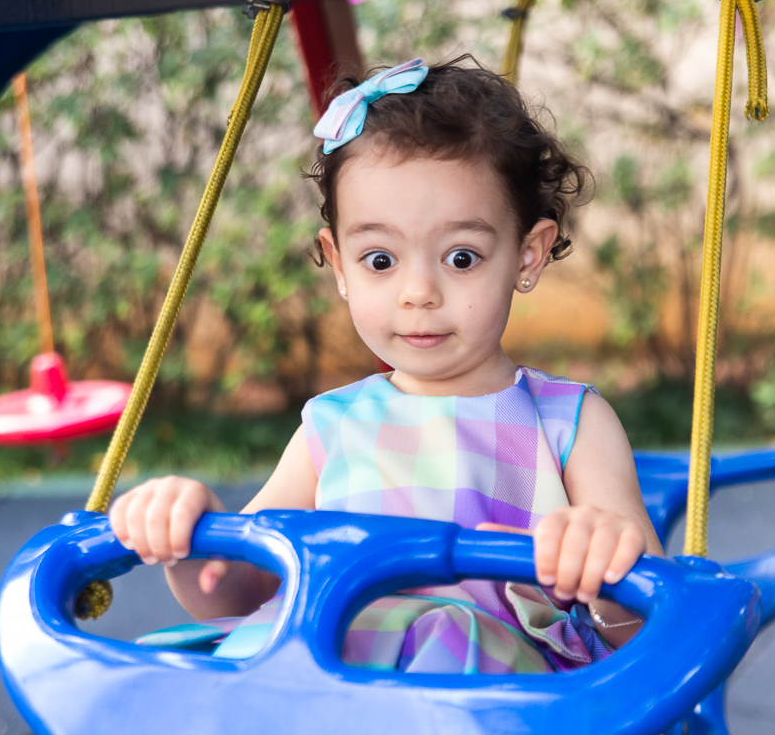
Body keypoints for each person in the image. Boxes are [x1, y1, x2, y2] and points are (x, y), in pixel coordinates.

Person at [109, 56, 664, 674]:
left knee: (438, 639)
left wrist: (603, 568)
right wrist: (191, 540)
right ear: (339, 264)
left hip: (498, 694)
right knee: (179, 674)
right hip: (334, 681)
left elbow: (653, 625)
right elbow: (241, 592)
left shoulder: (569, 423)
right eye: (380, 260)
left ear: (527, 255)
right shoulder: (332, 428)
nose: (418, 292)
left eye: (461, 258)